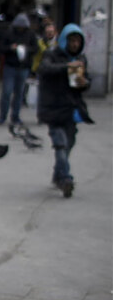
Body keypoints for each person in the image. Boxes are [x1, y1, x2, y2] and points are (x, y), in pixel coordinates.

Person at [37, 23, 94, 198]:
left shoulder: (80, 59)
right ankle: (65, 179)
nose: (75, 44)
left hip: (70, 110)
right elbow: (45, 69)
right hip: (53, 109)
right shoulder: (52, 55)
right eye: (72, 41)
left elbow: (81, 84)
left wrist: (85, 83)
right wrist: (67, 67)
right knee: (60, 144)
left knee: (68, 144)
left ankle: (58, 174)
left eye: (78, 41)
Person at [0, 12, 37, 125]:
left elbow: (35, 48)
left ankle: (15, 116)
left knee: (19, 93)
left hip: (23, 67)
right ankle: (2, 116)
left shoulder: (30, 34)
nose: (21, 29)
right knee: (7, 92)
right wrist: (11, 48)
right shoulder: (9, 33)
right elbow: (1, 48)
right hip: (10, 66)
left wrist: (26, 49)